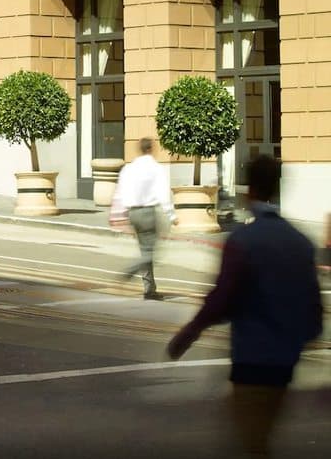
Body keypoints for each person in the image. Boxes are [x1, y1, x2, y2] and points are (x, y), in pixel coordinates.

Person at [167, 154, 323, 457]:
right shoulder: (300, 242)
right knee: (259, 437)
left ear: (249, 190)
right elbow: (313, 310)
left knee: (252, 442)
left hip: (251, 359)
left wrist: (189, 333)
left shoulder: (243, 241)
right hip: (284, 363)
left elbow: (221, 299)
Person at [110, 137, 177, 300]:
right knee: (151, 252)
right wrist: (171, 215)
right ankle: (131, 271)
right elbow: (163, 193)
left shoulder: (129, 168)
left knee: (145, 250)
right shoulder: (155, 168)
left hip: (133, 212)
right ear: (151, 149)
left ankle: (149, 289)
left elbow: (120, 192)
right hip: (148, 213)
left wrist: (120, 215)